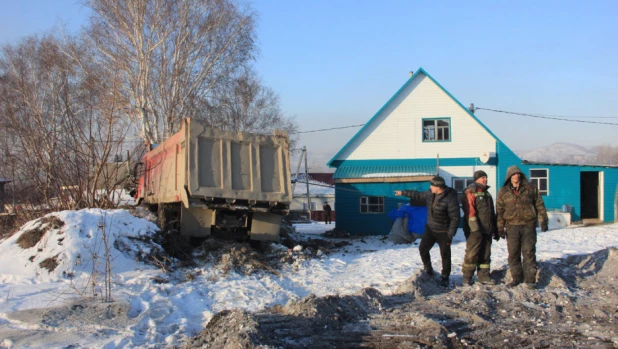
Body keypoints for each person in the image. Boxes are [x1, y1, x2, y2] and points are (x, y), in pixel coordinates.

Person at [395, 176, 460, 287]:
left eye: (432, 185)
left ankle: (445, 276)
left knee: (445, 255)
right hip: (431, 228)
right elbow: (418, 195)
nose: (430, 187)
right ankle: (428, 269)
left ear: (438, 187)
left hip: (444, 231)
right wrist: (403, 192)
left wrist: (450, 234)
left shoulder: (450, 198)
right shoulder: (430, 193)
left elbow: (455, 218)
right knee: (422, 249)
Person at [496, 165, 548, 289]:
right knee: (513, 254)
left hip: (528, 225)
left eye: (518, 174)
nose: (516, 176)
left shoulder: (530, 188)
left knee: (528, 252)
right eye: (514, 174)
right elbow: (500, 211)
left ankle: (530, 280)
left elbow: (539, 204)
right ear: (509, 177)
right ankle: (516, 278)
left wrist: (543, 220)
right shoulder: (503, 191)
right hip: (512, 227)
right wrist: (500, 228)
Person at [461, 170, 498, 286]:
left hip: (487, 229)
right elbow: (469, 210)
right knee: (472, 254)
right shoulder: (470, 191)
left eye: (485, 177)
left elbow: (491, 213)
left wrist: (494, 229)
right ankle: (467, 277)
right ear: (476, 179)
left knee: (485, 254)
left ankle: (484, 276)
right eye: (482, 177)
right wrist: (475, 228)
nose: (485, 179)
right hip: (474, 230)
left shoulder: (487, 194)